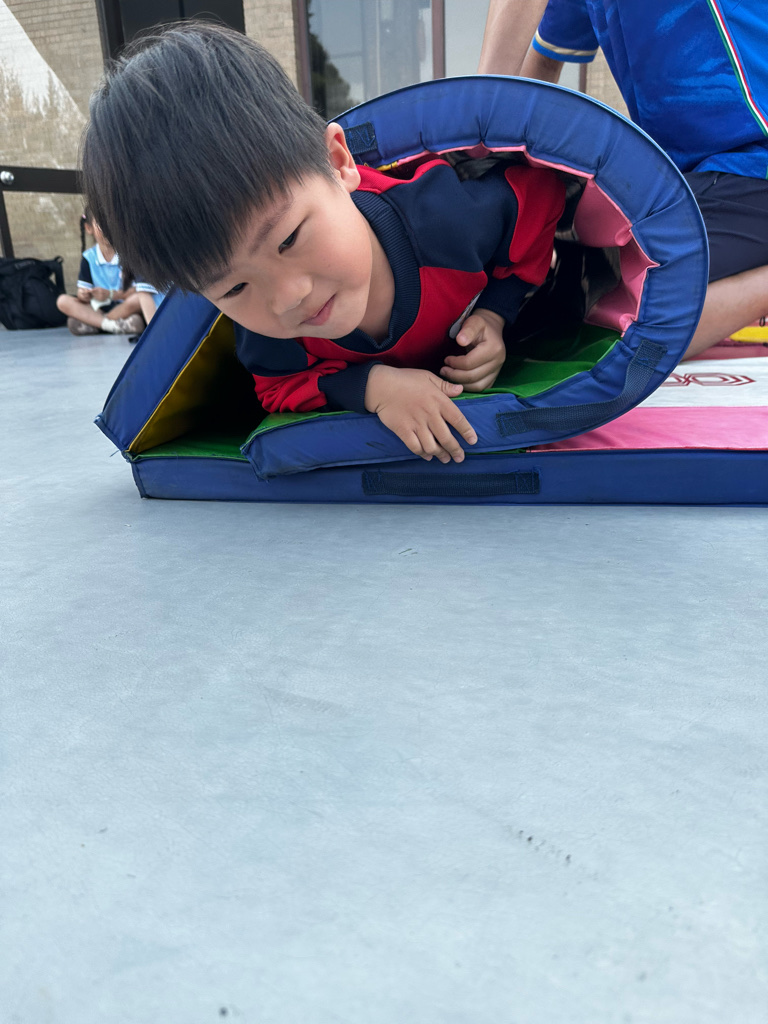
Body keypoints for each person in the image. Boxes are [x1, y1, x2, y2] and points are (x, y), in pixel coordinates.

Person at [80, 23, 565, 465]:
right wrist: (373, 387)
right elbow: (277, 389)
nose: (287, 297)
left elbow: (539, 195)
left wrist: (496, 314)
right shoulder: (267, 329)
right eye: (232, 288)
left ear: (338, 162)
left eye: (289, 238)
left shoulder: (445, 220)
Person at [478, 0, 768, 360]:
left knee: (628, 332)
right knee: (564, 303)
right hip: (690, 181)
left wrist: (474, 118)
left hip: (754, 165)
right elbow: (541, 66)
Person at [56, 210, 144, 336]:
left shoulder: (128, 255)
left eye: (112, 223)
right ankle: (114, 325)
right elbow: (82, 294)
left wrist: (111, 295)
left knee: (140, 298)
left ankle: (97, 324)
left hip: (124, 307)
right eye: (101, 224)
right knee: (62, 301)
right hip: (98, 308)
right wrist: (83, 295)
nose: (108, 228)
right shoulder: (89, 258)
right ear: (89, 228)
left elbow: (139, 289)